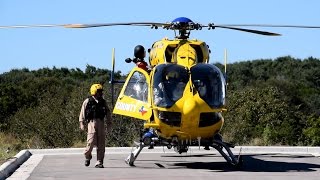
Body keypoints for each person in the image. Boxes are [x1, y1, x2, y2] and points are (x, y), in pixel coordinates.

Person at [79, 83, 112, 168]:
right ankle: (88, 156)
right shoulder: (87, 101)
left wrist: (109, 124)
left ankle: (99, 161)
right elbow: (82, 112)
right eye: (99, 91)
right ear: (94, 91)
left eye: (101, 91)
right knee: (90, 142)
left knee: (101, 144)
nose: (101, 93)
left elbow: (108, 113)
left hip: (101, 123)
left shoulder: (103, 102)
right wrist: (81, 123)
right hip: (91, 123)